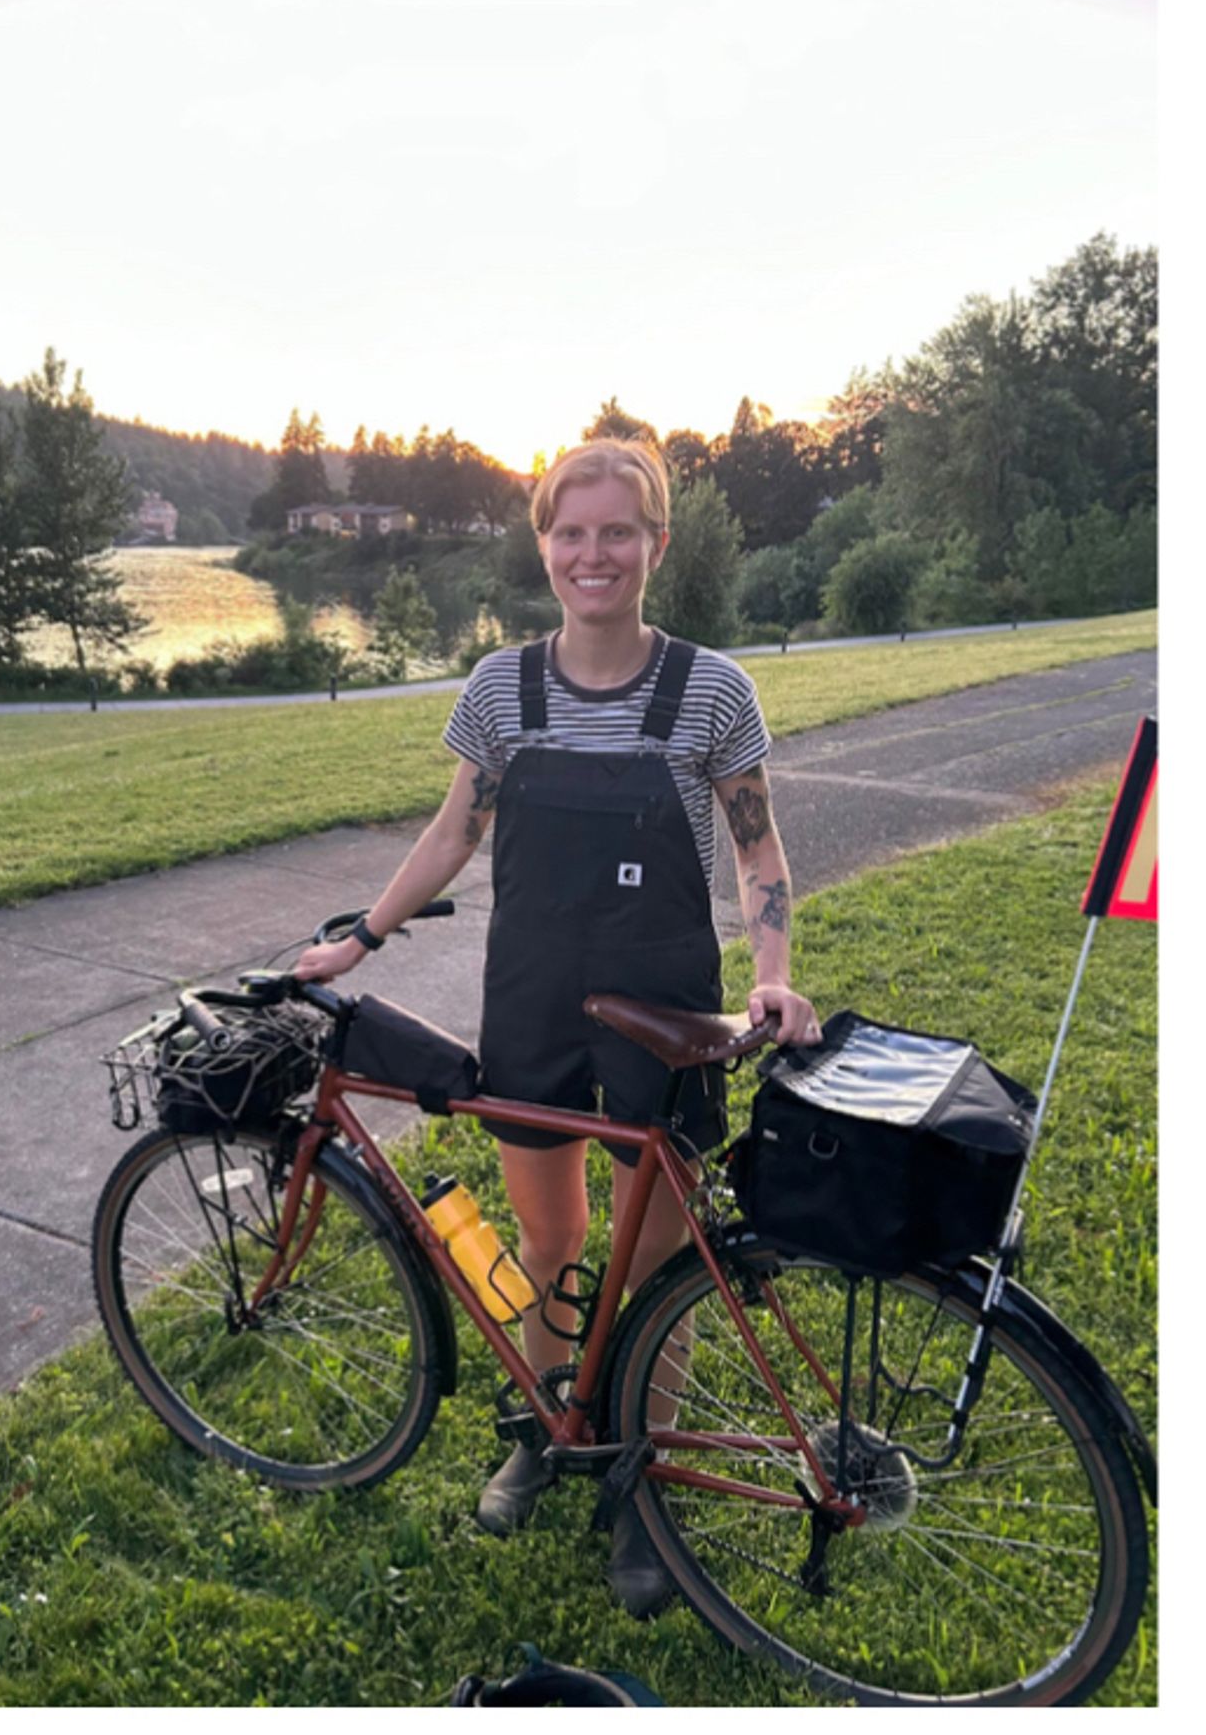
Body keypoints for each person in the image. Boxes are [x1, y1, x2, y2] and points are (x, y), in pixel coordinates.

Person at [296, 437, 820, 1615]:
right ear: (543, 545)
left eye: (615, 531)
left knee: (663, 1258)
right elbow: (450, 835)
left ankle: (642, 1476)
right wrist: (362, 936)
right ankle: (548, 1428)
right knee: (550, 1245)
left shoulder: (710, 690)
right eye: (569, 532)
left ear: (654, 544)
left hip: (662, 999)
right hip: (530, 991)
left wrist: (773, 974)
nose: (593, 553)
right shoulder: (499, 689)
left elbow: (756, 849)